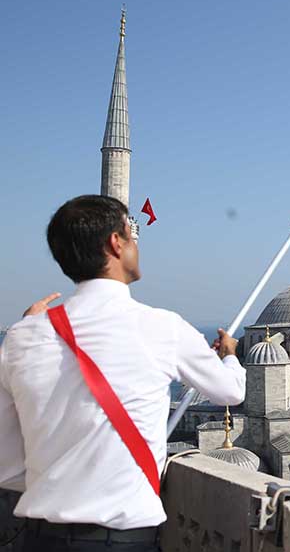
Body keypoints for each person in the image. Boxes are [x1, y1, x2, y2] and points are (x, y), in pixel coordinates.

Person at [0, 195, 246, 551]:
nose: (135, 246)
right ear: (116, 243)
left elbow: (6, 465)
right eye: (131, 236)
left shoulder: (22, 336)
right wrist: (230, 356)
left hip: (40, 538)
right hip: (122, 540)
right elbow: (231, 392)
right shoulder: (161, 327)